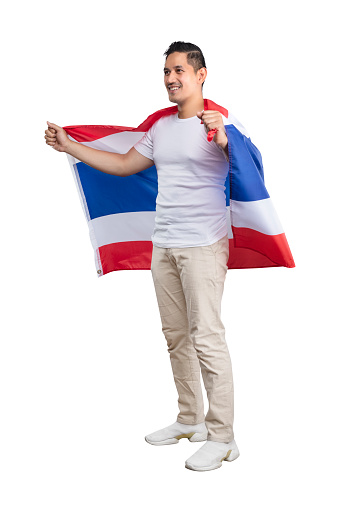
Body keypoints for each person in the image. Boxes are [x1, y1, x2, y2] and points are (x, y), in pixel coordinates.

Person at [45, 41, 240, 472]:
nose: (171, 79)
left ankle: (223, 436)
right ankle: (190, 419)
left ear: (201, 74)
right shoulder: (162, 127)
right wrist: (69, 146)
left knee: (206, 336)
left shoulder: (220, 124)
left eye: (179, 71)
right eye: (166, 72)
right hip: (165, 243)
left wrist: (224, 135)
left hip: (204, 245)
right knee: (176, 335)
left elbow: (245, 163)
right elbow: (122, 165)